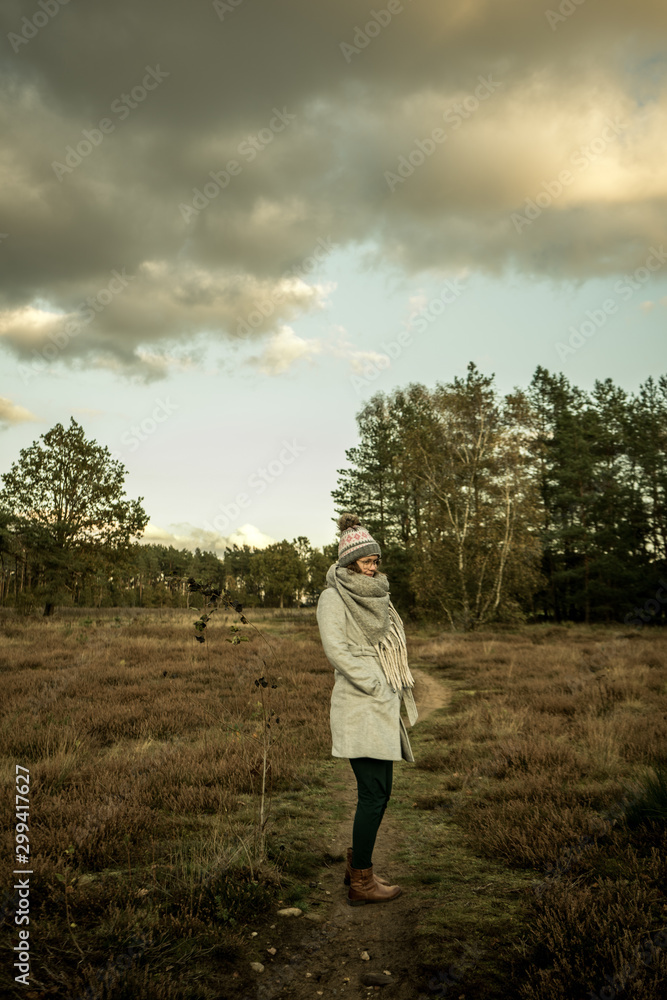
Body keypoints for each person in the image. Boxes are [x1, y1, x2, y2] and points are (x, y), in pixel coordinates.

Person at [316, 512, 418, 906]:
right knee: (374, 794)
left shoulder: (378, 597)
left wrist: (387, 687)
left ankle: (356, 865)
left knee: (381, 792)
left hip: (381, 705)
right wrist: (375, 684)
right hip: (361, 705)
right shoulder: (333, 598)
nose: (373, 568)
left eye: (376, 561)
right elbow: (337, 651)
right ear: (349, 563)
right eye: (366, 561)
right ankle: (362, 881)